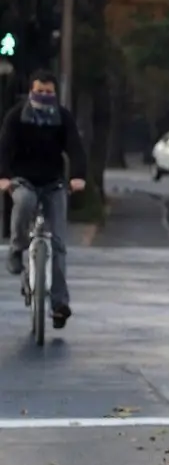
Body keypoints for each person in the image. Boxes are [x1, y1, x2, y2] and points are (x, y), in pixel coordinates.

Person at [0, 69, 87, 328]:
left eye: (49, 92)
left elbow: (75, 146)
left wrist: (78, 176)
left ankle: (59, 303)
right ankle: (17, 249)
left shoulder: (62, 118)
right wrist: (3, 177)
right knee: (24, 203)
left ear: (55, 94)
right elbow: (4, 147)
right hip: (23, 180)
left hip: (54, 183)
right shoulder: (17, 116)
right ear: (31, 91)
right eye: (40, 91)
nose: (44, 96)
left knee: (59, 245)